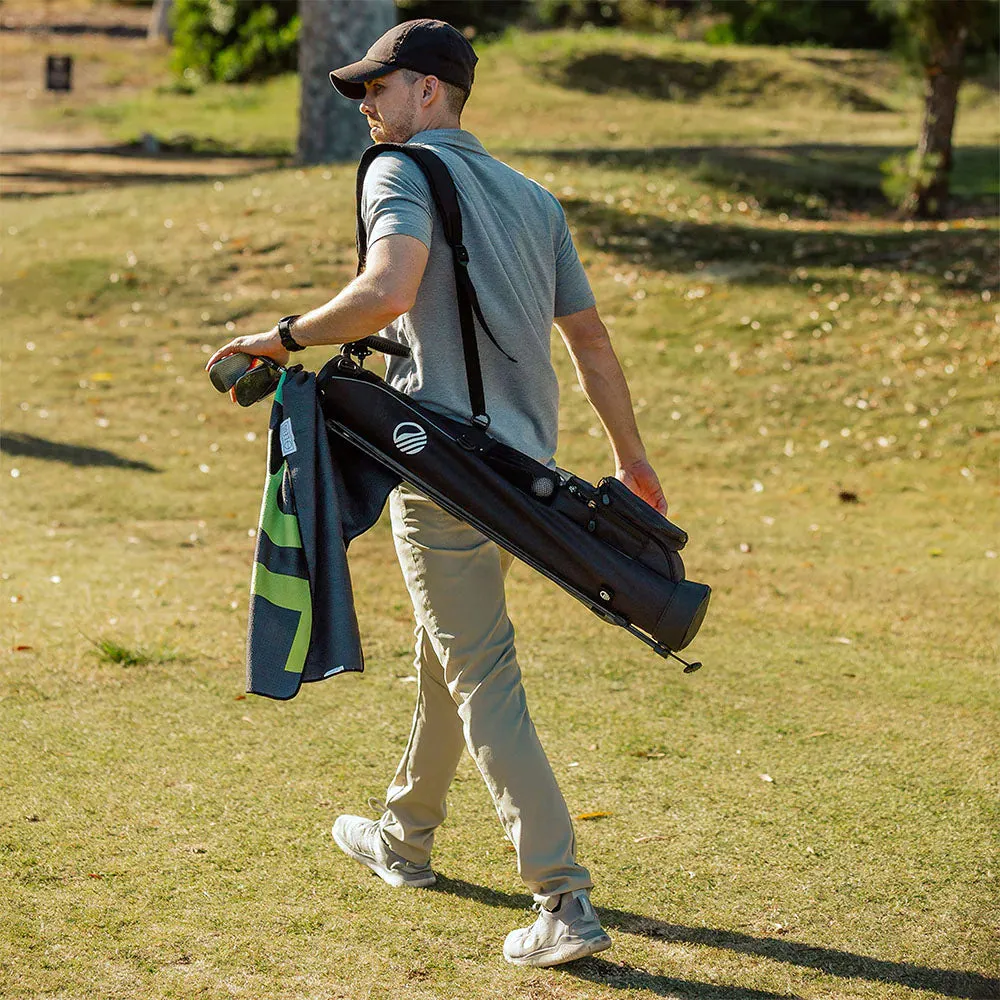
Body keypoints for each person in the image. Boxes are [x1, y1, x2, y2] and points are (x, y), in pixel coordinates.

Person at [206, 18, 667, 969]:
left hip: (442, 465)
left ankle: (563, 900)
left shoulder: (400, 172)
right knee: (447, 653)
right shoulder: (534, 199)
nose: (366, 106)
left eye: (379, 88)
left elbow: (386, 291)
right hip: (519, 482)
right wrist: (633, 463)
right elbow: (591, 342)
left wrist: (280, 336)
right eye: (362, 91)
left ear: (430, 92)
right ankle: (405, 839)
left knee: (478, 671)